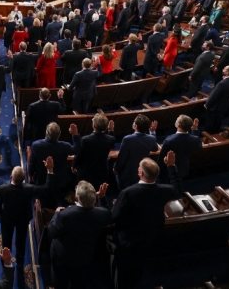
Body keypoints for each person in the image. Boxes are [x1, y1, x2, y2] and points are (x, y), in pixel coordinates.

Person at [111, 151, 183, 288]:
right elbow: (178, 189)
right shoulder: (164, 190)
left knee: (124, 268)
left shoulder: (128, 193)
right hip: (151, 233)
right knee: (140, 262)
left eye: (139, 168)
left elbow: (114, 216)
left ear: (141, 174)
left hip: (128, 239)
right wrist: (171, 166)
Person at [48, 180, 111, 289]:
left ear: (76, 198)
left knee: (60, 283)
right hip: (85, 257)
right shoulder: (102, 214)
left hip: (63, 259)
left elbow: (52, 232)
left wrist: (56, 213)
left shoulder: (64, 215)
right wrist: (102, 197)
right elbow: (107, 212)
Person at [0, 157, 53, 272]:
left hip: (7, 219)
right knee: (21, 240)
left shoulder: (1, 189)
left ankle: (5, 260)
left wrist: (0, 215)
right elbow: (47, 188)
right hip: (23, 218)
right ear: (23, 179)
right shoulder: (30, 189)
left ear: (11, 177)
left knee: (6, 240)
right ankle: (20, 261)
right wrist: (50, 170)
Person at [71, 113, 116, 188]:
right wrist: (111, 131)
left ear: (93, 126)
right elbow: (111, 142)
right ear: (106, 127)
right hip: (102, 171)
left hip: (86, 172)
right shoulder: (111, 139)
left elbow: (79, 155)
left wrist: (73, 165)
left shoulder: (85, 140)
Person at [115, 114, 159, 190]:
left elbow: (122, 157)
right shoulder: (151, 138)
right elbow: (155, 148)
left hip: (127, 173)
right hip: (142, 171)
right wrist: (152, 132)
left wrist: (115, 168)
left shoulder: (127, 139)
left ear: (135, 126)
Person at [157, 116, 200, 183]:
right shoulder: (195, 139)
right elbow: (199, 145)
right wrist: (194, 130)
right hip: (184, 168)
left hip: (168, 171)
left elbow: (161, 158)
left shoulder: (169, 140)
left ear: (178, 125)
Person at [204, 65, 229, 133]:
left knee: (210, 121)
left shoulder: (222, 83)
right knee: (219, 119)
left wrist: (207, 104)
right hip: (225, 105)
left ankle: (206, 133)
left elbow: (214, 95)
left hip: (215, 106)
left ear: (227, 72)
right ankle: (215, 132)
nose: (223, 69)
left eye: (224, 69)